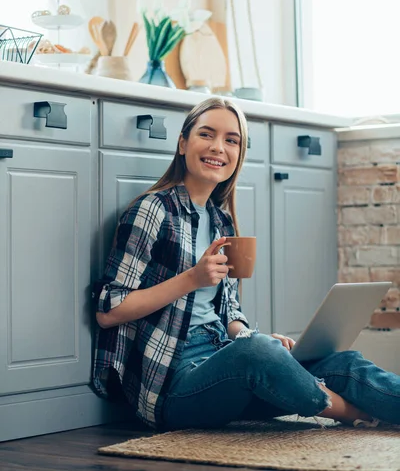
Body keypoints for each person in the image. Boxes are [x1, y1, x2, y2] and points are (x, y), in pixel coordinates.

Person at [92, 97, 400, 431]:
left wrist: (262, 343)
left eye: (231, 140)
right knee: (257, 353)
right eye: (206, 135)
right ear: (183, 143)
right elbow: (109, 311)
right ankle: (351, 412)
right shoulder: (152, 210)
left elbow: (228, 313)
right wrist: (193, 279)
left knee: (343, 363)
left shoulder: (220, 220)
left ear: (239, 153)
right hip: (173, 385)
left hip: (224, 357)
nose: (218, 148)